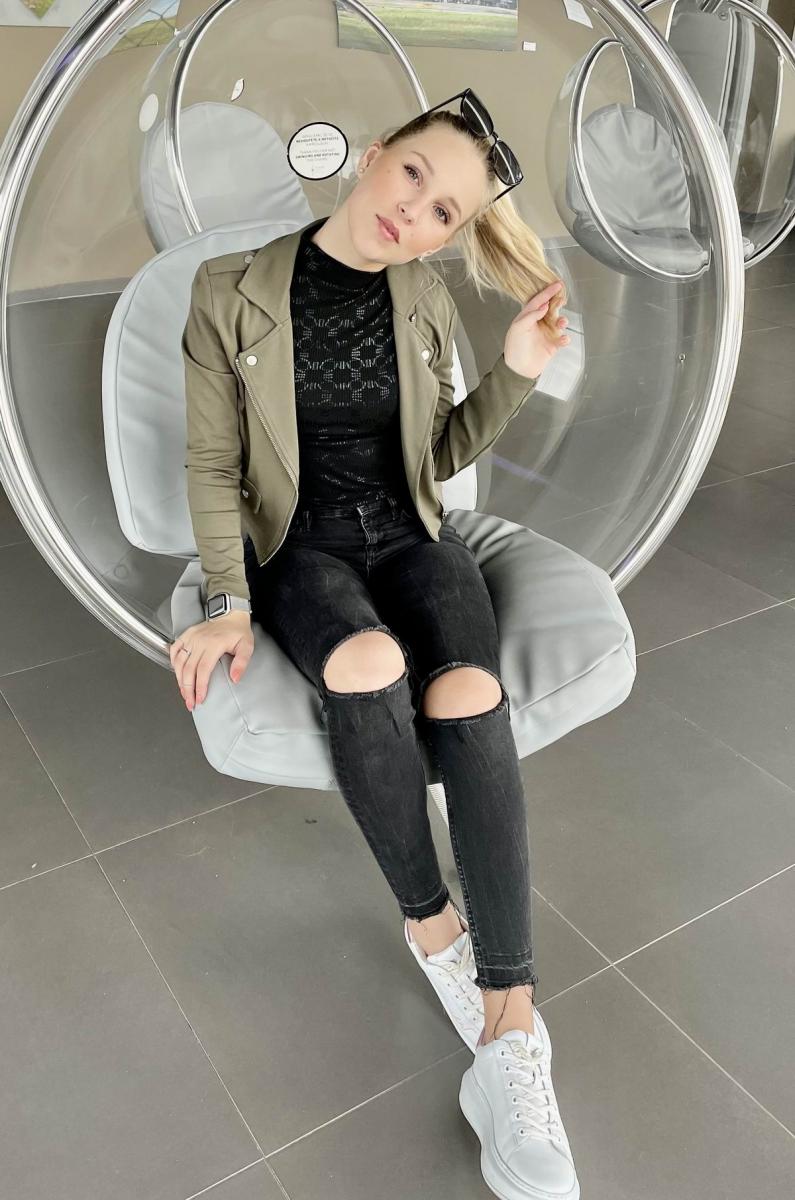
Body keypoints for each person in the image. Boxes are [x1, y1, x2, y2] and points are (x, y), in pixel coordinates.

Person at [172, 91, 579, 1199]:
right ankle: (433, 929)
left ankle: (509, 1032)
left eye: (444, 212)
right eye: (412, 177)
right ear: (371, 155)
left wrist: (516, 369)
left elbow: (434, 456)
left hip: (408, 538)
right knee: (367, 666)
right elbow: (213, 463)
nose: (415, 212)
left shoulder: (424, 296)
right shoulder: (227, 290)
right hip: (299, 549)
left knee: (467, 692)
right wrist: (225, 597)